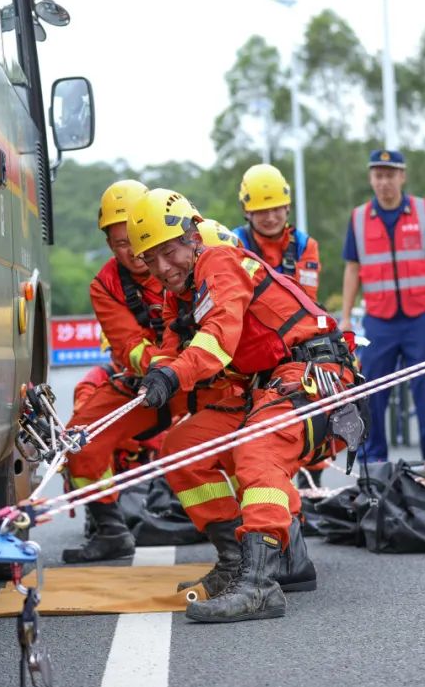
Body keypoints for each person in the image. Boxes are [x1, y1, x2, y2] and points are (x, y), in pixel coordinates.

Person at [129, 188, 366, 623]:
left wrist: (174, 375)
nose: (162, 268)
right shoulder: (176, 294)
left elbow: (218, 336)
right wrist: (159, 373)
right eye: (150, 259)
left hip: (309, 375)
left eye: (168, 252)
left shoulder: (218, 263)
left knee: (256, 449)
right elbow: (169, 345)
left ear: (192, 237)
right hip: (259, 386)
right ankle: (237, 562)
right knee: (182, 449)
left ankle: (259, 585)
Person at [62, 186, 237, 563]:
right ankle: (110, 529)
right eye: (120, 242)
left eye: (138, 239)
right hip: (154, 383)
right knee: (79, 441)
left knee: (245, 445)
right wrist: (166, 370)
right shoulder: (106, 285)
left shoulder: (196, 251)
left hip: (215, 374)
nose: (133, 251)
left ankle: (256, 533)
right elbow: (129, 346)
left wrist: (184, 366)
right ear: (109, 245)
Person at [340, 150, 425, 462]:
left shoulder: (423, 211)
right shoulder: (359, 218)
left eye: (390, 175)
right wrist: (346, 318)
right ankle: (373, 458)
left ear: (402, 176)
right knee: (372, 390)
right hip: (379, 319)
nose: (384, 182)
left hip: (420, 316)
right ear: (371, 179)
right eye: (378, 175)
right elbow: (352, 269)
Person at [232, 163, 322, 301]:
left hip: (294, 320)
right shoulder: (233, 244)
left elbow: (308, 300)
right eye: (262, 211)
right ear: (247, 212)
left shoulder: (304, 246)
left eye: (276, 209)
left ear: (287, 207)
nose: (271, 218)